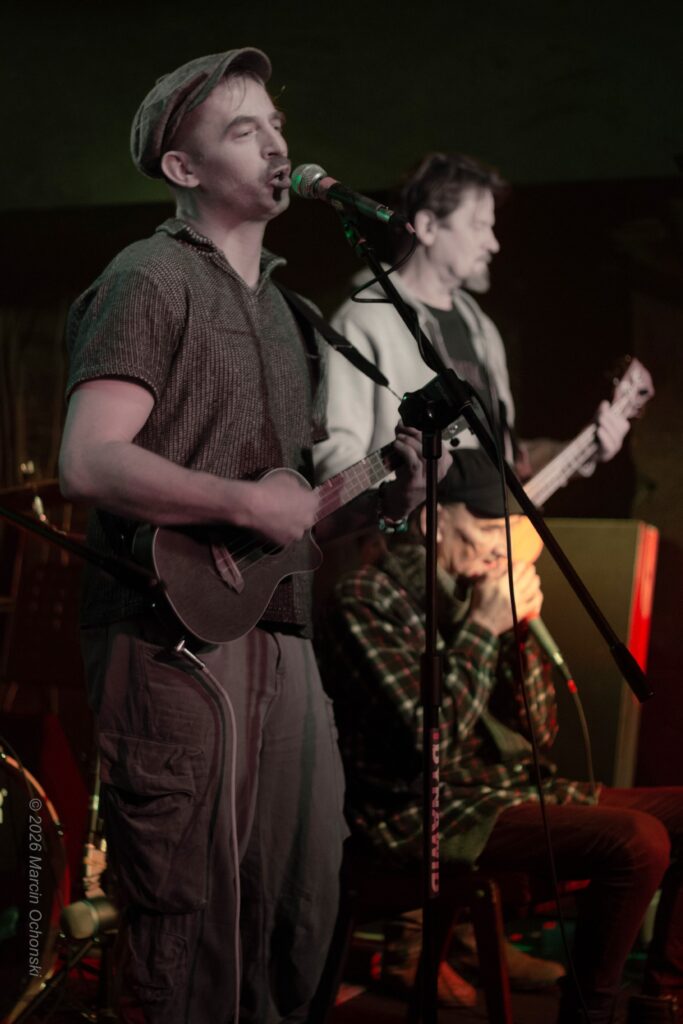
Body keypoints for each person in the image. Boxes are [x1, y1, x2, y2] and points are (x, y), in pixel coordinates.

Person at [58, 48, 450, 1024]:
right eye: (244, 130)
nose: (277, 145)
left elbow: (295, 520)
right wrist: (239, 505)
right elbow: (88, 462)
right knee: (188, 920)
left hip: (281, 630)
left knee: (296, 907)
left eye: (277, 125)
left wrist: (390, 494)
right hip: (170, 640)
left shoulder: (291, 313)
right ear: (182, 167)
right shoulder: (149, 279)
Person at [319, 449, 683, 1023]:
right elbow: (430, 742)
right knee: (638, 841)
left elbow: (538, 732)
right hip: (424, 809)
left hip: (504, 792)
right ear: (434, 523)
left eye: (508, 533)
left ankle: (659, 1000)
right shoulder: (369, 599)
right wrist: (483, 631)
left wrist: (517, 634)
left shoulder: (481, 591)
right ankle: (588, 1014)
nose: (500, 548)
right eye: (489, 529)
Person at [313, 151, 629, 485]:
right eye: (479, 226)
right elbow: (336, 461)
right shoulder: (363, 321)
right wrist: (403, 505)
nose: (493, 244)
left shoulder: (483, 330)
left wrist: (582, 452)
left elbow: (502, 464)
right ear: (428, 227)